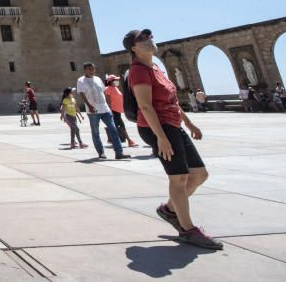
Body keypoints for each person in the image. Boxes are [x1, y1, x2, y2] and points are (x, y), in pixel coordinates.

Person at [124, 29, 222, 250]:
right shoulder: (138, 71)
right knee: (178, 178)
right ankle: (188, 230)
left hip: (173, 125)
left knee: (199, 174)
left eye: (149, 37)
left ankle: (169, 209)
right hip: (157, 127)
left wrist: (188, 123)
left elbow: (172, 99)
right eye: (142, 39)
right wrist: (161, 138)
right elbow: (146, 106)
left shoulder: (156, 67)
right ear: (134, 48)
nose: (149, 41)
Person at [76, 63, 130, 161]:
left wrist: (109, 106)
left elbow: (104, 92)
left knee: (113, 129)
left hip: (105, 109)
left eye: (93, 69)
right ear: (85, 70)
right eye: (89, 69)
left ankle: (119, 152)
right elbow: (82, 94)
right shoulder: (81, 80)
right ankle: (101, 153)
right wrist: (89, 106)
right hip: (93, 111)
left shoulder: (98, 79)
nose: (91, 71)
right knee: (96, 132)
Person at [104, 75, 138, 147]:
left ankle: (112, 140)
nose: (117, 81)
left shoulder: (116, 88)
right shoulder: (107, 89)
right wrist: (110, 112)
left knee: (117, 126)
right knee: (121, 126)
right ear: (111, 81)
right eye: (115, 80)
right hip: (113, 111)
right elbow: (108, 101)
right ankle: (129, 141)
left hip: (118, 111)